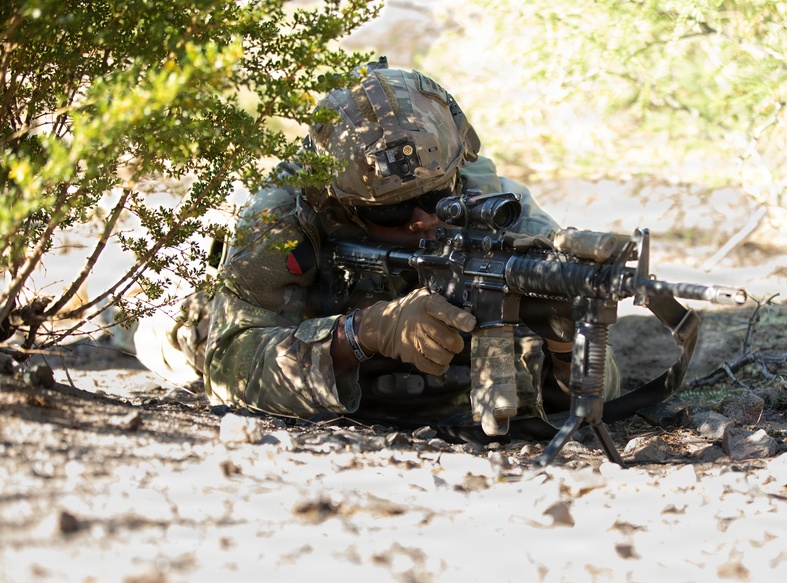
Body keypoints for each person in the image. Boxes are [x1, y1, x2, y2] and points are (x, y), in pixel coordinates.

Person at [135, 60, 620, 434]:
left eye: (438, 198)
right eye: (391, 211)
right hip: (237, 314)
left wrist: (566, 339)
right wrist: (364, 332)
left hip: (433, 397)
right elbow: (228, 371)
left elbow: (603, 388)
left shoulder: (502, 213)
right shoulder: (283, 219)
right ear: (341, 205)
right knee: (176, 332)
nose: (421, 220)